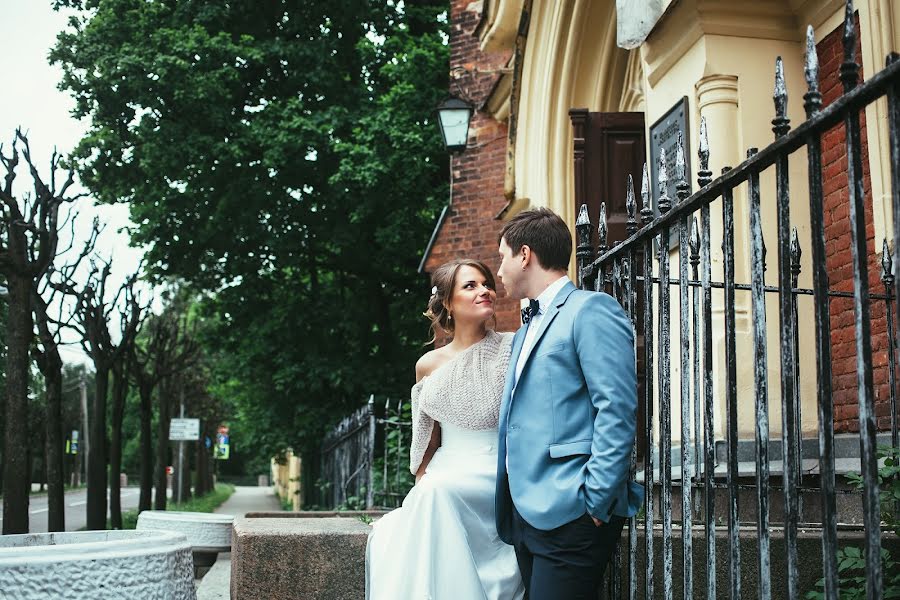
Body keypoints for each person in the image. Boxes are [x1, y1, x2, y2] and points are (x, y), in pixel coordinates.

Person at [495, 207, 643, 599]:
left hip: (574, 511)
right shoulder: (526, 327)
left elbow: (617, 407)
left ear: (524, 255)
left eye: (502, 258)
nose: (499, 271)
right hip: (527, 515)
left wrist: (595, 500)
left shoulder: (591, 310)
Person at [366, 258, 525, 600]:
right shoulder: (427, 365)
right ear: (448, 304)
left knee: (438, 492)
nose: (485, 290)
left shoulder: (514, 347)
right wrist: (421, 481)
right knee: (433, 492)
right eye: (470, 286)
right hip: (447, 472)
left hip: (500, 471)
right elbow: (426, 437)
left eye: (486, 284)